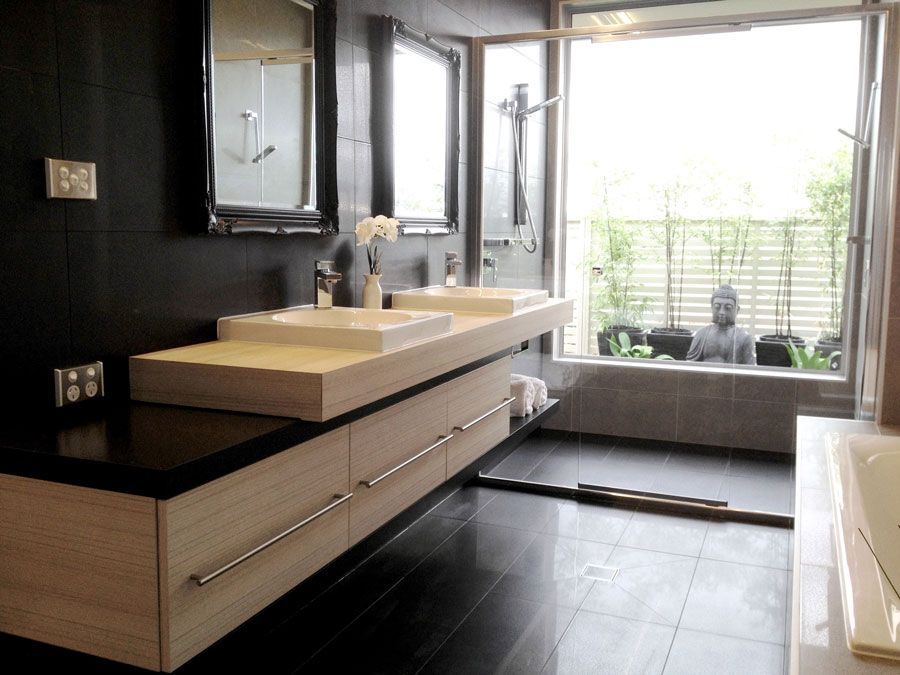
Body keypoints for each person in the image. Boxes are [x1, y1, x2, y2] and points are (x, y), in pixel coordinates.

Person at [686, 284, 756, 365]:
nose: (722, 312)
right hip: (704, 376)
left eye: (728, 308)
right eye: (717, 307)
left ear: (737, 310)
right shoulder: (701, 334)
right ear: (712, 307)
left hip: (732, 377)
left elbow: (750, 370)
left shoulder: (744, 338)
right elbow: (690, 365)